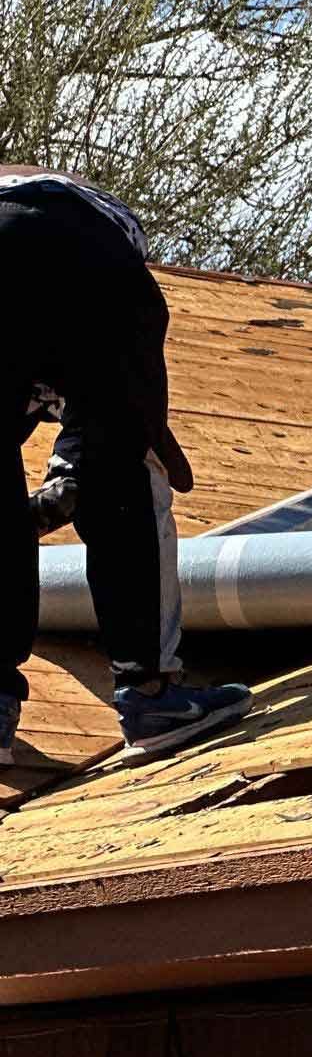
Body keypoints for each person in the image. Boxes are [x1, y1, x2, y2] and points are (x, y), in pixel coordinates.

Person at [0, 167, 251, 764]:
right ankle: (150, 694)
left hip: (46, 249)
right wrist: (89, 466)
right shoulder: (99, 246)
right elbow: (125, 414)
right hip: (82, 257)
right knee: (126, 472)